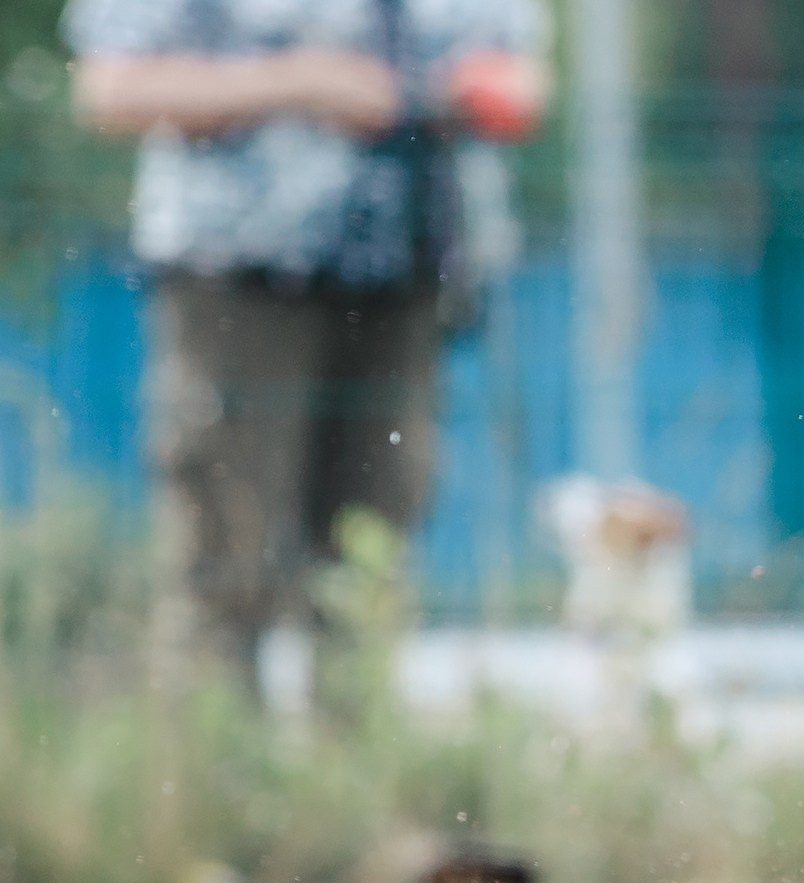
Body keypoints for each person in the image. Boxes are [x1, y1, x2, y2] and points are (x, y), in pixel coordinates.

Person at [65, 0, 550, 687]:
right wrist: (299, 83)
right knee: (228, 556)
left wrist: (447, 92)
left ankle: (349, 776)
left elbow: (521, 82)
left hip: (402, 279)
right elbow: (109, 89)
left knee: (370, 567)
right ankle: (211, 772)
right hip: (237, 279)